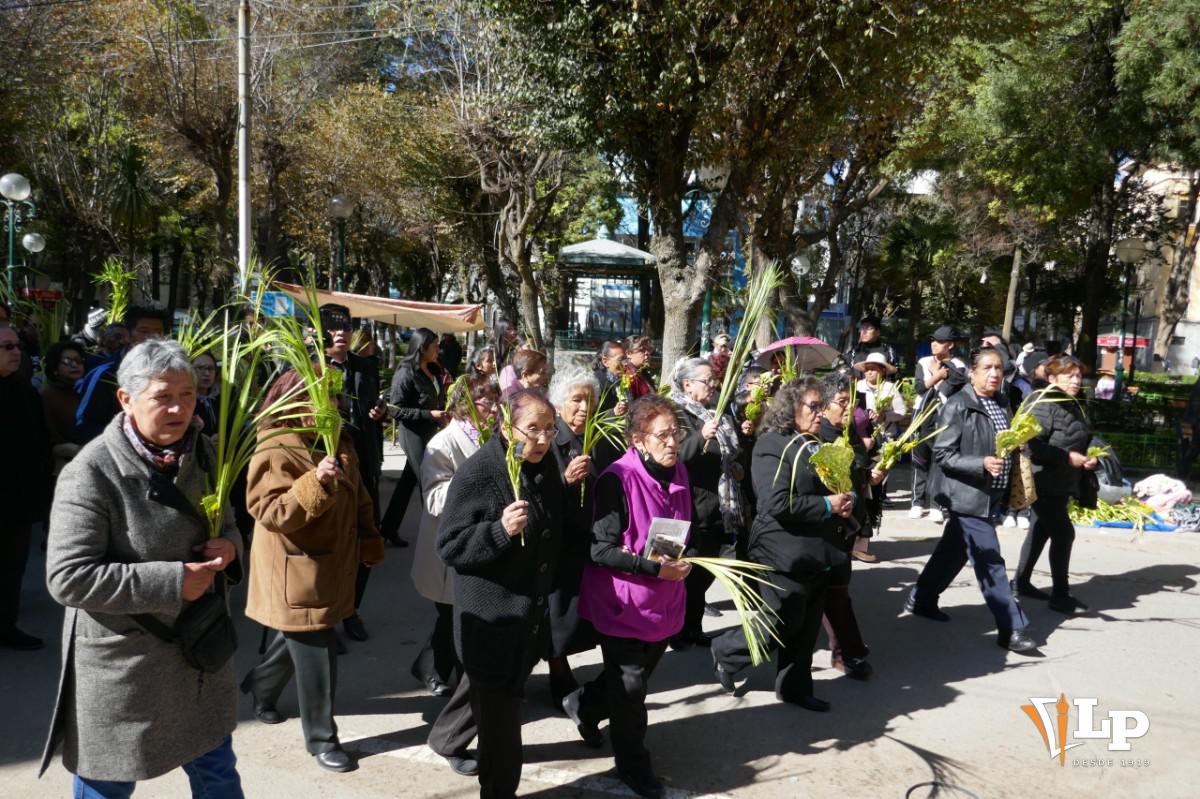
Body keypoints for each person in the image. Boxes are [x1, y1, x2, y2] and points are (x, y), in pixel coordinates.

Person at [40, 339, 245, 795]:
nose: (178, 409)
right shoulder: (90, 471)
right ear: (125, 398)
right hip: (125, 666)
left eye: (187, 395)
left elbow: (231, 525)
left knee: (217, 772)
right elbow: (68, 576)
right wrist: (174, 582)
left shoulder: (208, 453)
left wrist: (229, 548)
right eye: (163, 397)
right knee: (106, 785)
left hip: (198, 654)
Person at [240, 367, 384, 774]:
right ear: (293, 398)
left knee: (301, 639)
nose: (331, 405)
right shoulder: (275, 444)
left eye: (334, 397)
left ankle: (260, 687)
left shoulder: (338, 438)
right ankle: (322, 737)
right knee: (317, 646)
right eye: (320, 396)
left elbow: (361, 497)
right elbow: (270, 512)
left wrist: (371, 541)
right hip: (296, 572)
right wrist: (315, 481)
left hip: (334, 564)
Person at [431, 389, 564, 798]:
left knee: (492, 704)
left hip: (525, 621)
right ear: (506, 426)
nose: (542, 439)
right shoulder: (481, 472)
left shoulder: (543, 464)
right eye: (533, 429)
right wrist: (498, 531)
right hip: (490, 624)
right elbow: (450, 546)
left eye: (549, 429)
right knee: (503, 738)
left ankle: (446, 738)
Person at [564, 394, 693, 799]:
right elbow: (599, 549)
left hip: (664, 601)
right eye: (662, 435)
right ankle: (633, 766)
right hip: (621, 602)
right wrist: (654, 567)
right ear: (638, 440)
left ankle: (583, 704)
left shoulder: (680, 472)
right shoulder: (616, 480)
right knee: (632, 690)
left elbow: (685, 526)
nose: (672, 442)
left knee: (630, 684)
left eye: (676, 433)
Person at [711, 378, 855, 712]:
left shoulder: (818, 443)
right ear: (791, 408)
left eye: (823, 405)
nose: (820, 413)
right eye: (813, 406)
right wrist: (827, 506)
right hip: (781, 549)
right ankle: (727, 650)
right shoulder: (771, 445)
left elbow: (841, 484)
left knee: (806, 626)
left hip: (819, 549)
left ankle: (795, 687)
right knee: (779, 622)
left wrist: (848, 499)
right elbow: (774, 502)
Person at [906, 348, 1037, 653]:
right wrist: (981, 463)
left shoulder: (1002, 403)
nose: (994, 373)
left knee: (953, 551)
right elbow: (944, 453)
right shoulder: (957, 405)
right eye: (987, 368)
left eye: (999, 368)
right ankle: (1011, 627)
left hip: (991, 495)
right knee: (989, 560)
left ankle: (922, 598)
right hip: (965, 495)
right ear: (972, 373)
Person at [411, 377, 499, 702]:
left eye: (495, 403)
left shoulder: (493, 438)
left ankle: (430, 665)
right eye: (484, 403)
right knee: (454, 616)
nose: (491, 410)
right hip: (450, 549)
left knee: (457, 616)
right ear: (464, 406)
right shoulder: (442, 444)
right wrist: (477, 484)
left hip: (481, 544)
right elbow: (433, 499)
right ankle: (453, 682)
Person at [320, 305, 387, 641]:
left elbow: (373, 409)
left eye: (346, 326)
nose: (341, 333)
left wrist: (380, 411)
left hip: (365, 466)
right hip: (327, 469)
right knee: (330, 546)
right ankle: (328, 617)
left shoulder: (366, 365)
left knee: (365, 541)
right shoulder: (309, 369)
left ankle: (351, 610)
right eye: (334, 327)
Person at [670, 357, 747, 648]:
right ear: (687, 384)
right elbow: (674, 457)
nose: (713, 386)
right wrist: (699, 436)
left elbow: (732, 453)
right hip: (690, 503)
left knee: (704, 572)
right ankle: (676, 630)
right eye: (706, 381)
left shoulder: (716, 414)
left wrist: (737, 465)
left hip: (719, 504)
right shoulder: (676, 413)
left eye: (713, 380)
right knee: (686, 572)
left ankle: (693, 627)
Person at [1013, 355, 1099, 614]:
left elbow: (1086, 436)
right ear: (1051, 378)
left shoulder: (1074, 403)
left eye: (1078, 376)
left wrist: (1094, 453)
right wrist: (1066, 457)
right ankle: (1060, 594)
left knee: (1041, 530)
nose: (1076, 381)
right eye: (1069, 376)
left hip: (1064, 481)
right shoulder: (1042, 404)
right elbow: (1030, 444)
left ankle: (1021, 581)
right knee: (1064, 533)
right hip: (1043, 481)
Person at [545, 366, 604, 709]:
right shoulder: (553, 439)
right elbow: (535, 493)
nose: (584, 407)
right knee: (559, 611)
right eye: (576, 400)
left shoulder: (593, 438)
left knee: (573, 611)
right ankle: (558, 672)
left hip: (587, 539)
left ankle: (561, 665)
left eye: (589, 400)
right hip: (559, 541)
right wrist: (565, 481)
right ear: (559, 403)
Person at [816, 374, 876, 680]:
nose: (848, 408)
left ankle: (845, 650)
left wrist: (868, 477)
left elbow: (857, 470)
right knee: (834, 593)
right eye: (842, 402)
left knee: (833, 592)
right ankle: (846, 652)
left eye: (851, 402)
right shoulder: (818, 435)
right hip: (824, 525)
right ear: (824, 407)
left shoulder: (849, 431)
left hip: (849, 522)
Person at [1, 326, 52, 651]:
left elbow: (39, 442)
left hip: (17, 503)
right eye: (7, 346)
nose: (16, 352)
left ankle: (6, 625)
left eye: (18, 345)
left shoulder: (24, 391)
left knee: (11, 568)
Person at [379, 327, 446, 547]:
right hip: (413, 434)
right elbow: (395, 409)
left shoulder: (434, 369)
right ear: (422, 347)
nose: (438, 348)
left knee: (407, 483)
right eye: (435, 345)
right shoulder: (406, 371)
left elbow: (437, 397)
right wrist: (429, 414)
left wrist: (441, 413)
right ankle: (435, 536)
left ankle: (388, 528)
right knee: (426, 481)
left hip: (430, 432)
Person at [75, 305, 170, 444]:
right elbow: (85, 427)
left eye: (158, 332)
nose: (152, 338)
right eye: (144, 331)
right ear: (129, 335)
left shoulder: (169, 374)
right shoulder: (104, 375)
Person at [910, 325, 967, 522]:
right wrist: (937, 375)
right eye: (932, 340)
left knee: (939, 461)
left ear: (950, 345)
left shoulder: (958, 365)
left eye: (940, 341)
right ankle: (916, 502)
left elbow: (952, 387)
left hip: (944, 416)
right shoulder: (924, 362)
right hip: (922, 415)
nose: (934, 344)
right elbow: (919, 388)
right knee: (919, 459)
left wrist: (943, 374)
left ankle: (936, 504)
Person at [41, 341, 86, 450]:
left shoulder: (89, 389)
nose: (75, 365)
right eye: (67, 361)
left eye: (78, 360)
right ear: (55, 368)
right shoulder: (46, 395)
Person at [594, 340, 630, 415]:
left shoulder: (620, 380)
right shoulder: (596, 384)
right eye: (621, 359)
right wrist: (613, 413)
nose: (625, 364)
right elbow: (590, 416)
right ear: (605, 361)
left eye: (626, 359)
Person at [191, 350, 220, 434]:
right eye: (200, 368)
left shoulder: (222, 401)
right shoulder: (185, 402)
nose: (207, 373)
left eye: (210, 369)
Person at [623, 335, 657, 399]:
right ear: (628, 353)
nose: (647, 353)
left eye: (649, 349)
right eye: (642, 350)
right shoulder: (628, 376)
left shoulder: (643, 372)